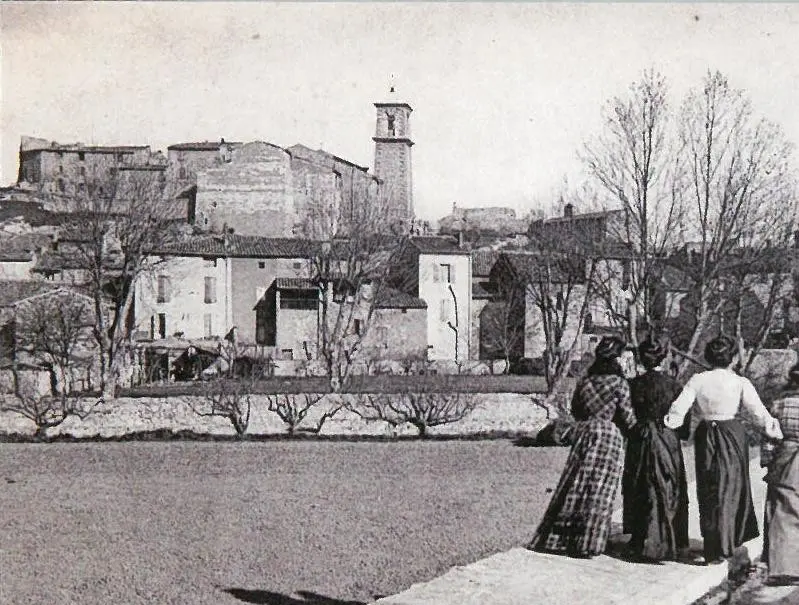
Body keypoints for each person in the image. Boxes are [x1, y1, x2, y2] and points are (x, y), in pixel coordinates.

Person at [664, 336, 783, 565]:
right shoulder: (740, 382)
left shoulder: (698, 380)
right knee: (730, 488)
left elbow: (679, 408)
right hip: (732, 434)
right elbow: (758, 412)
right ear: (731, 358)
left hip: (706, 434)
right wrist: (775, 430)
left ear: (708, 356)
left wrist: (669, 422)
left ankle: (712, 548)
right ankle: (725, 545)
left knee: (708, 488)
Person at [529, 336, 637, 558]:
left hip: (586, 432)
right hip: (610, 435)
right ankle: (590, 542)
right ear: (617, 359)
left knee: (576, 483)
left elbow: (576, 411)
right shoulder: (620, 384)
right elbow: (627, 417)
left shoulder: (585, 382)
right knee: (601, 490)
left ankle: (560, 537)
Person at [622, 339, 690, 561]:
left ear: (641, 358)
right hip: (666, 438)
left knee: (639, 484)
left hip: (640, 437)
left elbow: (625, 415)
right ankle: (676, 540)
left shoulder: (633, 385)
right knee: (670, 486)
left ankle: (638, 539)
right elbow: (684, 422)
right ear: (663, 358)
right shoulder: (675, 385)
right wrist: (680, 435)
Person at [760, 363, 799, 584]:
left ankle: (785, 566)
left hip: (785, 458)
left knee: (782, 511)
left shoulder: (780, 405)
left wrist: (767, 462)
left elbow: (770, 437)